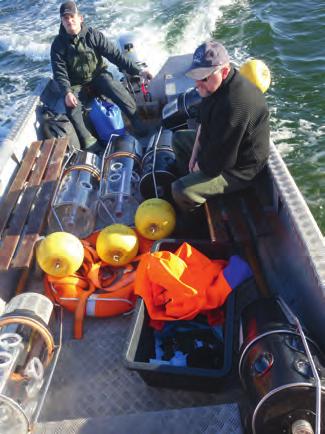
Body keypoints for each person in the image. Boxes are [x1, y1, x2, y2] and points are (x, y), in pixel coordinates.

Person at [171, 40, 270, 212]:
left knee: (181, 191)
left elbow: (219, 162)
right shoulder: (212, 87)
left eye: (203, 77)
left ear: (224, 71)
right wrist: (194, 154)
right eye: (195, 76)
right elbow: (202, 123)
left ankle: (192, 213)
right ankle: (190, 182)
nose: (197, 83)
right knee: (179, 139)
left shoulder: (235, 106)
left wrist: (198, 167)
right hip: (220, 144)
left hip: (240, 168)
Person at [51, 1, 152, 151]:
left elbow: (116, 56)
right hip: (76, 85)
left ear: (80, 18)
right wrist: (67, 92)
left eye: (72, 16)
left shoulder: (94, 35)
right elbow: (59, 72)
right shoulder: (58, 45)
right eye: (65, 18)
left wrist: (138, 71)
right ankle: (90, 143)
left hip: (98, 76)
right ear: (62, 21)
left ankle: (137, 121)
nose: (69, 20)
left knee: (115, 87)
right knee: (72, 108)